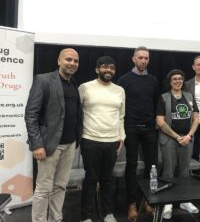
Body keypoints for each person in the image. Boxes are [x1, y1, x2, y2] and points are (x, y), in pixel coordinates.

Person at [25, 48, 82, 222]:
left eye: (75, 61)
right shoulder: (43, 80)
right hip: (49, 145)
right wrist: (37, 144)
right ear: (59, 61)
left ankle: (55, 218)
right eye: (69, 59)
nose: (72, 63)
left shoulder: (73, 84)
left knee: (60, 186)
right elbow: (31, 115)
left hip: (70, 144)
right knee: (43, 188)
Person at [79, 56, 125, 222]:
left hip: (112, 141)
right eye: (105, 67)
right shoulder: (85, 87)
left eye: (112, 68)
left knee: (107, 180)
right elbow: (78, 114)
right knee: (91, 180)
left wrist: (121, 138)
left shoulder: (119, 90)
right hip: (90, 140)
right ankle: (86, 216)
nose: (109, 70)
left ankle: (108, 213)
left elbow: (121, 116)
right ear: (97, 69)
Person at [118, 46, 159, 222]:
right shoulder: (124, 80)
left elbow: (156, 103)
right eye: (140, 57)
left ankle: (149, 201)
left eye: (146, 58)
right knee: (132, 166)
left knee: (152, 167)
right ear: (133, 59)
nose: (143, 61)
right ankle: (132, 203)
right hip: (131, 128)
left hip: (149, 128)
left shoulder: (153, 80)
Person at [156, 69, 199, 219]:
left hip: (187, 139)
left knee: (184, 171)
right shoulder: (163, 97)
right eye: (174, 79)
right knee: (168, 171)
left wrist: (189, 135)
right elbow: (160, 121)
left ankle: (184, 201)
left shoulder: (189, 96)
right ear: (170, 81)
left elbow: (196, 119)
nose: (178, 81)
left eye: (180, 79)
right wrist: (176, 136)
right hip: (169, 139)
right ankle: (168, 203)